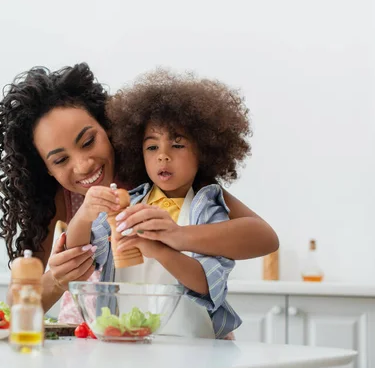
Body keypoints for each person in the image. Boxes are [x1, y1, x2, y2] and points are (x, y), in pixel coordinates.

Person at [0, 63, 279, 318]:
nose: (83, 165)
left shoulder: (162, 176)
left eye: (88, 141)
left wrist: (175, 235)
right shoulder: (62, 203)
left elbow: (264, 237)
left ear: (108, 125)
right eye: (60, 160)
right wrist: (56, 280)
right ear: (46, 168)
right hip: (97, 348)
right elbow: (16, 307)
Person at [65, 68, 251, 338]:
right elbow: (80, 252)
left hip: (194, 347)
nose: (163, 156)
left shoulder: (207, 209)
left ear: (205, 150)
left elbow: (207, 285)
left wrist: (160, 249)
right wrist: (84, 215)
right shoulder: (129, 203)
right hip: (128, 341)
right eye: (152, 147)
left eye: (177, 145)